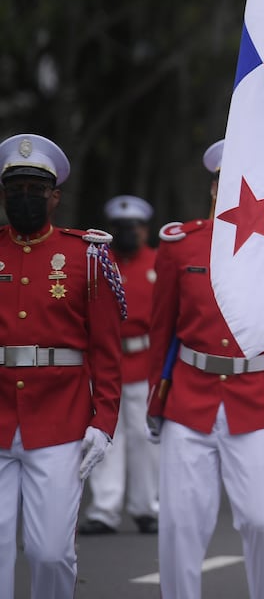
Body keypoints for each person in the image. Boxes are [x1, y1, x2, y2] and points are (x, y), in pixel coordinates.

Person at [145, 140, 264, 599]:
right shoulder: (180, 245)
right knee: (180, 524)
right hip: (191, 395)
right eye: (227, 183)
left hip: (260, 396)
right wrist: (156, 398)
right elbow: (161, 329)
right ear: (214, 189)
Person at [0, 133, 123, 599]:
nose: (24, 199)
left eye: (35, 190)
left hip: (60, 420)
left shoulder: (85, 256)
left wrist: (105, 420)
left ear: (55, 197)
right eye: (15, 189)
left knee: (50, 551)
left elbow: (106, 349)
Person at [79, 194, 160, 536]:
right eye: (122, 228)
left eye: (134, 227)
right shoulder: (98, 264)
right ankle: (104, 509)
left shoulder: (158, 263)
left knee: (145, 437)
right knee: (106, 435)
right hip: (106, 363)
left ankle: (147, 506)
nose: (129, 233)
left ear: (144, 230)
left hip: (145, 361)